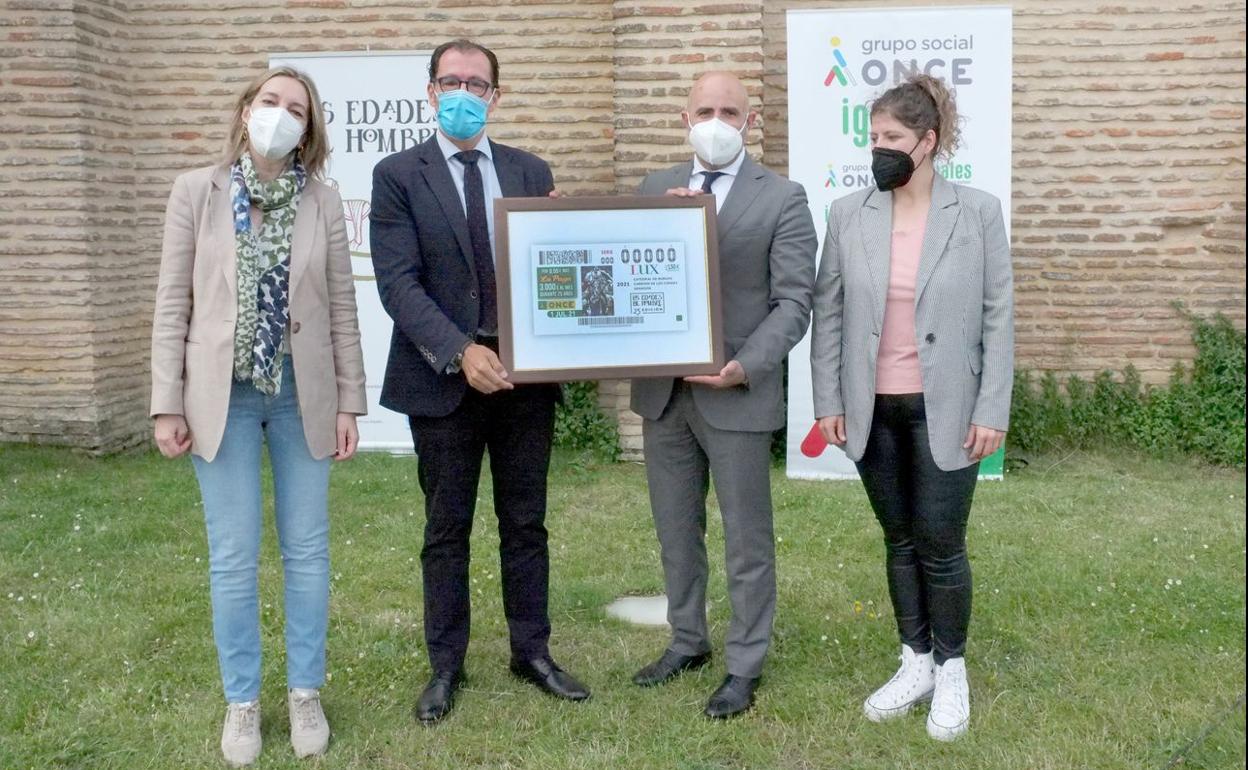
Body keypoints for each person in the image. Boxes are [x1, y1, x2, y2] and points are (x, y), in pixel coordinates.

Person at [369, 39, 591, 724]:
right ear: (431, 91)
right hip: (443, 378)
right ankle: (445, 666)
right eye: (451, 81)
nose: (465, 92)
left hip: (526, 378)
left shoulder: (530, 171)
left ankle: (532, 652)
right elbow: (399, 284)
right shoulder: (398, 174)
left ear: (497, 95)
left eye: (478, 83)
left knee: (526, 522)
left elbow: (554, 273)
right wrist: (460, 350)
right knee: (447, 526)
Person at [150, 66, 366, 766]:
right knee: (233, 557)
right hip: (224, 398)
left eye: (295, 108)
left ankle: (305, 692)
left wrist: (350, 402)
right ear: (245, 111)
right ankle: (242, 703)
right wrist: (166, 402)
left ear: (309, 129)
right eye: (269, 101)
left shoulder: (323, 201)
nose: (280, 114)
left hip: (304, 393)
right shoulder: (196, 192)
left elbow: (340, 309)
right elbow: (171, 306)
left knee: (307, 553)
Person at [810, 74, 1013, 741]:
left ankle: (952, 670)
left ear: (926, 142)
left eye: (892, 138)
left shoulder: (977, 212)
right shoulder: (848, 214)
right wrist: (828, 400)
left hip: (947, 407)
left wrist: (992, 408)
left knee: (942, 544)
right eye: (873, 139)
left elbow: (998, 317)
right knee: (898, 540)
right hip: (873, 410)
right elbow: (830, 314)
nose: (879, 151)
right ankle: (914, 660)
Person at [630, 71, 818, 719]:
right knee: (675, 530)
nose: (716, 120)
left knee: (746, 538)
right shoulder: (655, 189)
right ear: (683, 118)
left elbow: (794, 302)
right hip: (663, 394)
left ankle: (744, 663)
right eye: (704, 109)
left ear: (751, 121)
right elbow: (627, 279)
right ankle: (687, 640)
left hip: (735, 392)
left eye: (729, 111)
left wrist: (745, 366)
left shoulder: (783, 198)